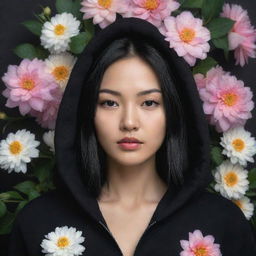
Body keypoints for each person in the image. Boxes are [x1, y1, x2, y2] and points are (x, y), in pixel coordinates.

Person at [8, 17, 256, 256]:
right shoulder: (36, 223)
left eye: (148, 102)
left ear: (173, 111)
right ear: (86, 112)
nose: (129, 122)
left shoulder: (223, 224)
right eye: (109, 103)